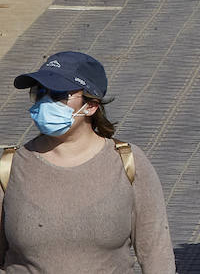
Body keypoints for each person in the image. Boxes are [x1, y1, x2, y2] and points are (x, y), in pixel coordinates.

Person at [2, 51, 176, 272]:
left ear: (91, 105)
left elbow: (156, 253)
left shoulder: (128, 162)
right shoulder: (10, 166)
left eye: (58, 94)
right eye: (40, 92)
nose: (46, 102)